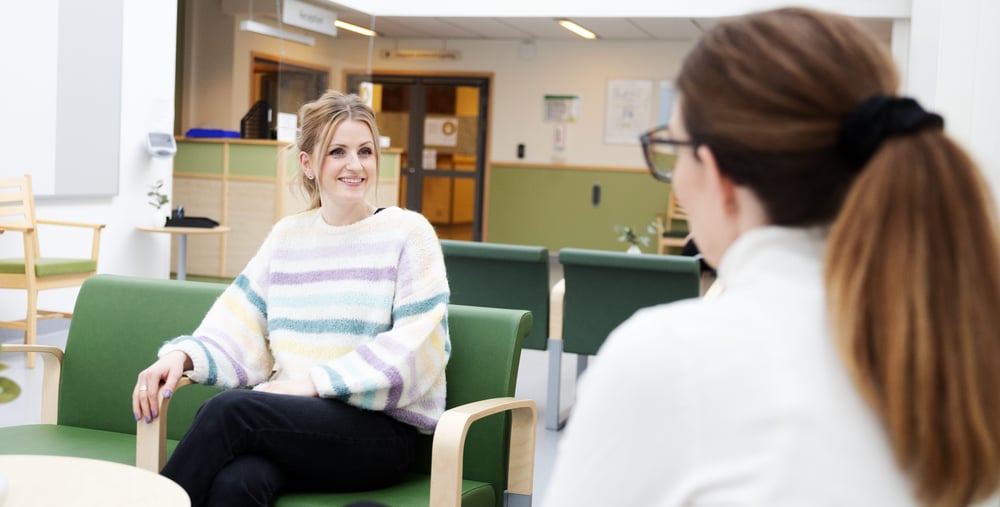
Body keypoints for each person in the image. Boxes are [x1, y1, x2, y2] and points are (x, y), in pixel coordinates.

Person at [544, 8, 1000, 507]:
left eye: (674, 149)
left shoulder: (665, 359)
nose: (674, 176)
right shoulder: (959, 349)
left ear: (716, 174)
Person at [132, 90, 451, 506]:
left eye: (365, 151)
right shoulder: (288, 235)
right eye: (338, 151)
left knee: (228, 411)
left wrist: (311, 385)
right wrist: (181, 357)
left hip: (378, 433)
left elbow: (418, 346)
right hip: (293, 426)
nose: (355, 165)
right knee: (236, 486)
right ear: (308, 163)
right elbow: (240, 320)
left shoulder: (408, 232)